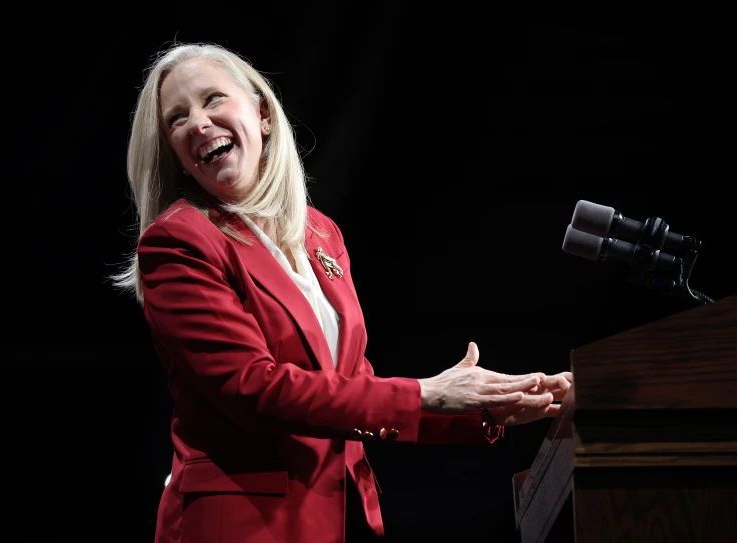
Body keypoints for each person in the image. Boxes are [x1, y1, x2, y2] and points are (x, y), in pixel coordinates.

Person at [113, 42, 572, 543]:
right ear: (176, 154)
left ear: (262, 115)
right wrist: (429, 393)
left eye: (212, 99)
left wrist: (482, 406)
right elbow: (253, 388)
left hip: (343, 517)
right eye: (177, 118)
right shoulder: (178, 240)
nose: (198, 123)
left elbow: (350, 386)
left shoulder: (319, 232)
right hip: (244, 526)